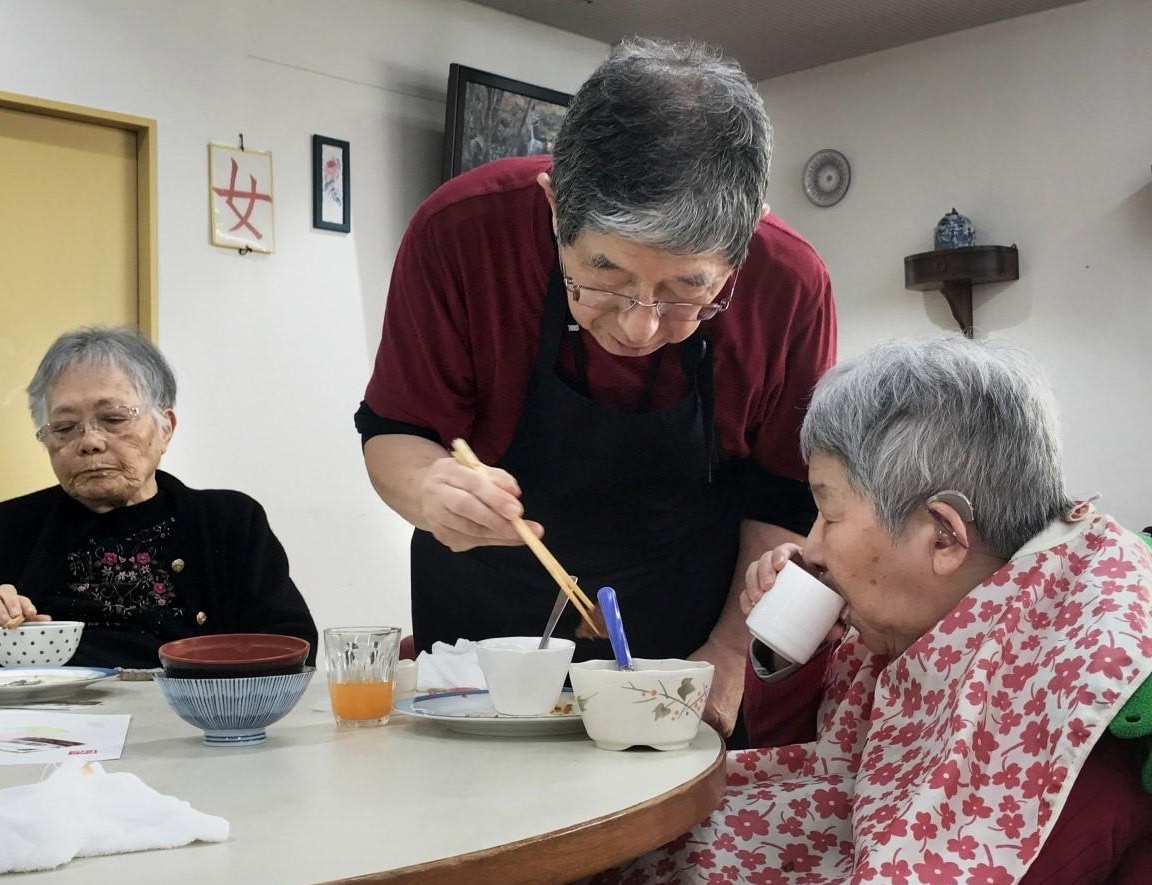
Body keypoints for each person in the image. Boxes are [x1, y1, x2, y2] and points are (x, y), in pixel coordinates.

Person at [454, 337, 1152, 885]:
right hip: (836, 848)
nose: (812, 546)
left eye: (827, 508)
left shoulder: (1068, 634)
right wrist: (791, 649)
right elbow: (827, 749)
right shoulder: (954, 596)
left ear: (944, 537)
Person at [356, 38, 836, 737]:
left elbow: (787, 503)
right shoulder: (462, 234)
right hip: (486, 644)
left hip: (690, 642)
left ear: (744, 243)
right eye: (604, 277)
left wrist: (729, 658)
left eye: (687, 291)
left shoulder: (791, 286)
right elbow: (394, 430)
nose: (641, 326)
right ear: (554, 208)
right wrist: (430, 490)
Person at [0, 326, 316, 667]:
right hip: (41, 730)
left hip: (189, 724)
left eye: (113, 419)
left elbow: (294, 647)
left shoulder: (228, 521)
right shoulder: (6, 527)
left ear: (165, 428)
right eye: (64, 428)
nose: (90, 442)